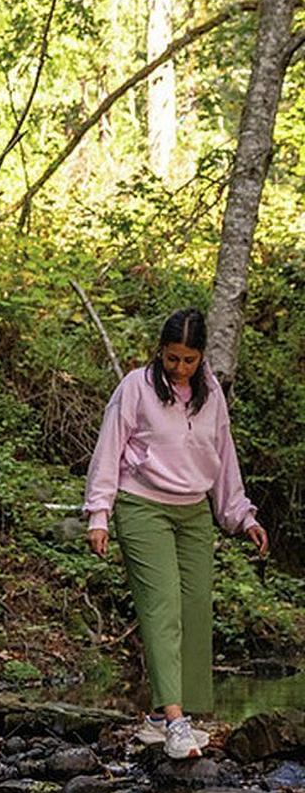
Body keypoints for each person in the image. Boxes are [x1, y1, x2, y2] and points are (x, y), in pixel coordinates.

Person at [84, 308, 269, 759]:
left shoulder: (211, 397)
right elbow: (109, 448)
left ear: (201, 357)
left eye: (188, 360)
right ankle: (175, 722)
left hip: (193, 512)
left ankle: (159, 718)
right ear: (160, 353)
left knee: (194, 608)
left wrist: (242, 515)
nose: (179, 368)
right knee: (162, 604)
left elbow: (222, 457)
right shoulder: (136, 387)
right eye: (172, 359)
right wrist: (99, 514)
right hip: (142, 505)